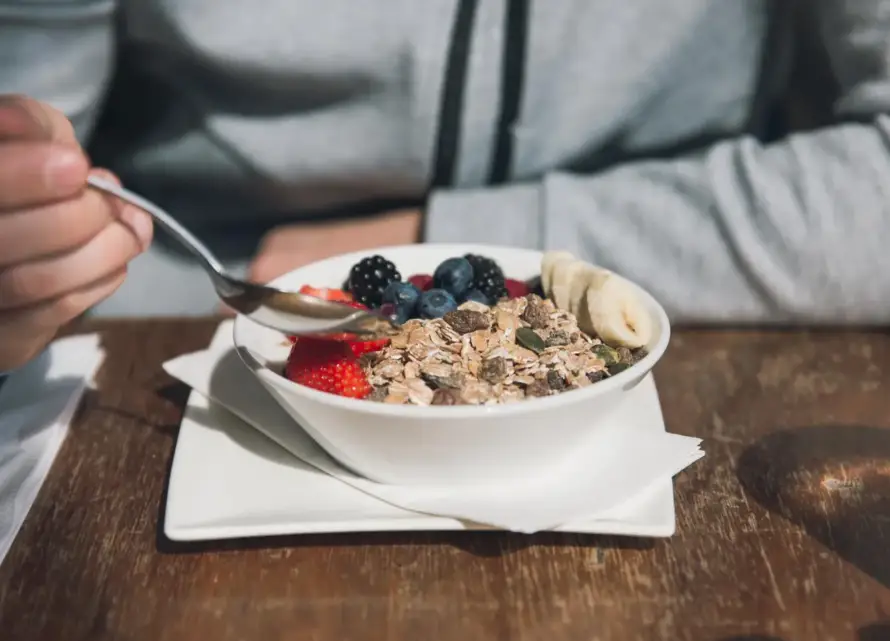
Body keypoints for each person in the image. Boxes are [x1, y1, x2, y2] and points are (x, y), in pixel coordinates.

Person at [1, 0, 888, 372]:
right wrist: (30, 238)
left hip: (674, 324)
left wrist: (452, 236)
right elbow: (33, 120)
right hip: (171, 304)